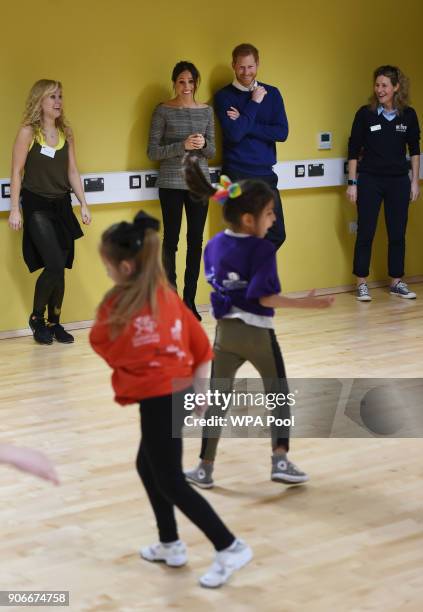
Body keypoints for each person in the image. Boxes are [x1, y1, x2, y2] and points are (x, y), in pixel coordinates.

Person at [89, 211, 252, 588]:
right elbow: (200, 348)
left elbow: (104, 345)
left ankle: (229, 546)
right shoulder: (166, 297)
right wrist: (198, 389)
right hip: (169, 394)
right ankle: (170, 543)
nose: (108, 273)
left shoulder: (120, 305)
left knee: (171, 480)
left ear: (126, 266)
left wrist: (198, 391)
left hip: (162, 397)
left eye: (108, 266)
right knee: (150, 468)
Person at [183, 158, 334, 490]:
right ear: (249, 219)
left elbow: (225, 286)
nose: (274, 218)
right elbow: (264, 298)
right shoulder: (263, 249)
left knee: (217, 402)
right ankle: (280, 460)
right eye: (270, 213)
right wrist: (307, 303)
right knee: (278, 396)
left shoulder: (213, 245)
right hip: (257, 335)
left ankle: (204, 468)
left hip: (224, 336)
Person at [8, 79, 91, 344]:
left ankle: (55, 323)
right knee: (53, 263)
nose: (58, 102)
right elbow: (16, 172)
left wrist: (84, 204)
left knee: (60, 268)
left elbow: (73, 171)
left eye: (60, 97)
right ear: (40, 102)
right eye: (52, 97)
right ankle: (36, 319)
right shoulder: (28, 133)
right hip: (36, 205)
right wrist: (14, 210)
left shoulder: (66, 131)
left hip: (62, 205)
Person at [147, 61, 215, 321]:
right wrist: (182, 145)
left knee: (196, 242)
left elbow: (212, 152)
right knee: (171, 241)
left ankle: (189, 300)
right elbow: (153, 151)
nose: (186, 87)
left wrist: (203, 143)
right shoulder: (163, 110)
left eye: (190, 81)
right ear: (174, 83)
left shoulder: (207, 111)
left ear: (196, 83)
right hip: (171, 183)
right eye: (181, 82)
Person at [347, 65, 420, 301]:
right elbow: (353, 150)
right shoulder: (365, 114)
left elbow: (415, 151)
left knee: (397, 233)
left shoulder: (408, 115)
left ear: (396, 87)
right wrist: (352, 182)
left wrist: (415, 182)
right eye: (377, 85)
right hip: (369, 180)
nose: (380, 90)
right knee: (365, 232)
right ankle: (361, 283)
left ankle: (396, 281)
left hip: (399, 181)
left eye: (384, 86)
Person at [214, 43, 288, 249]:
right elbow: (235, 134)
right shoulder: (224, 96)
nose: (246, 72)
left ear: (258, 65)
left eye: (251, 67)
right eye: (241, 67)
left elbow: (282, 132)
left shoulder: (272, 94)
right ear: (233, 66)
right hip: (236, 174)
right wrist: (254, 103)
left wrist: (246, 121)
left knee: (276, 234)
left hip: (265, 174)